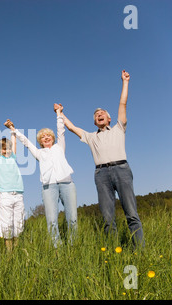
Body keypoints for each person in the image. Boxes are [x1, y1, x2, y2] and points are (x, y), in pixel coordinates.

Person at [62, 70, 145, 248]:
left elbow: (123, 103)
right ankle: (113, 253)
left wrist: (125, 82)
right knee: (108, 217)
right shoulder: (91, 137)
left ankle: (141, 251)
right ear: (95, 122)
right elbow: (71, 127)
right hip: (101, 174)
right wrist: (60, 113)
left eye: (102, 113)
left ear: (108, 119)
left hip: (121, 170)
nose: (99, 114)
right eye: (96, 114)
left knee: (131, 213)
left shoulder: (118, 129)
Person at [5, 103, 77, 248]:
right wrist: (13, 129)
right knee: (51, 219)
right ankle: (57, 248)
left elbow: (61, 130)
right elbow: (25, 141)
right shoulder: (38, 153)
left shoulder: (59, 147)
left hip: (67, 183)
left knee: (72, 217)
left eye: (48, 135)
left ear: (52, 138)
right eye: (42, 137)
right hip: (48, 187)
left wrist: (58, 113)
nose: (46, 137)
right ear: (40, 141)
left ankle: (72, 245)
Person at [0, 116, 25, 251]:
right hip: (5, 195)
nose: (6, 150)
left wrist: (11, 129)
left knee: (18, 224)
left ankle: (17, 250)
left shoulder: (13, 157)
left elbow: (14, 142)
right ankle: (9, 254)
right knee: (7, 224)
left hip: (18, 194)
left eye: (7, 148)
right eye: (3, 149)